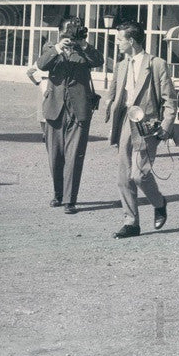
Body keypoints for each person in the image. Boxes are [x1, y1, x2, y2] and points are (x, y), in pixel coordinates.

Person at [104, 20, 177, 238]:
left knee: (140, 175)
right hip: (125, 123)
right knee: (124, 177)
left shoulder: (156, 64)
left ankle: (159, 202)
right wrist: (109, 109)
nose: (117, 44)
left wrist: (166, 125)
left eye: (119, 40)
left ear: (131, 40)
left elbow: (170, 99)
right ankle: (131, 222)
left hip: (147, 126)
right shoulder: (121, 65)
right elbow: (114, 92)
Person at [36, 16, 104, 214]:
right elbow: (41, 64)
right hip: (55, 108)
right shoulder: (50, 47)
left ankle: (69, 200)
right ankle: (58, 194)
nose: (71, 34)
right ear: (60, 32)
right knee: (55, 156)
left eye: (75, 30)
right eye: (68, 31)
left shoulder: (83, 50)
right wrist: (59, 48)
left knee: (74, 156)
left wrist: (83, 44)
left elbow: (98, 61)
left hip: (79, 109)